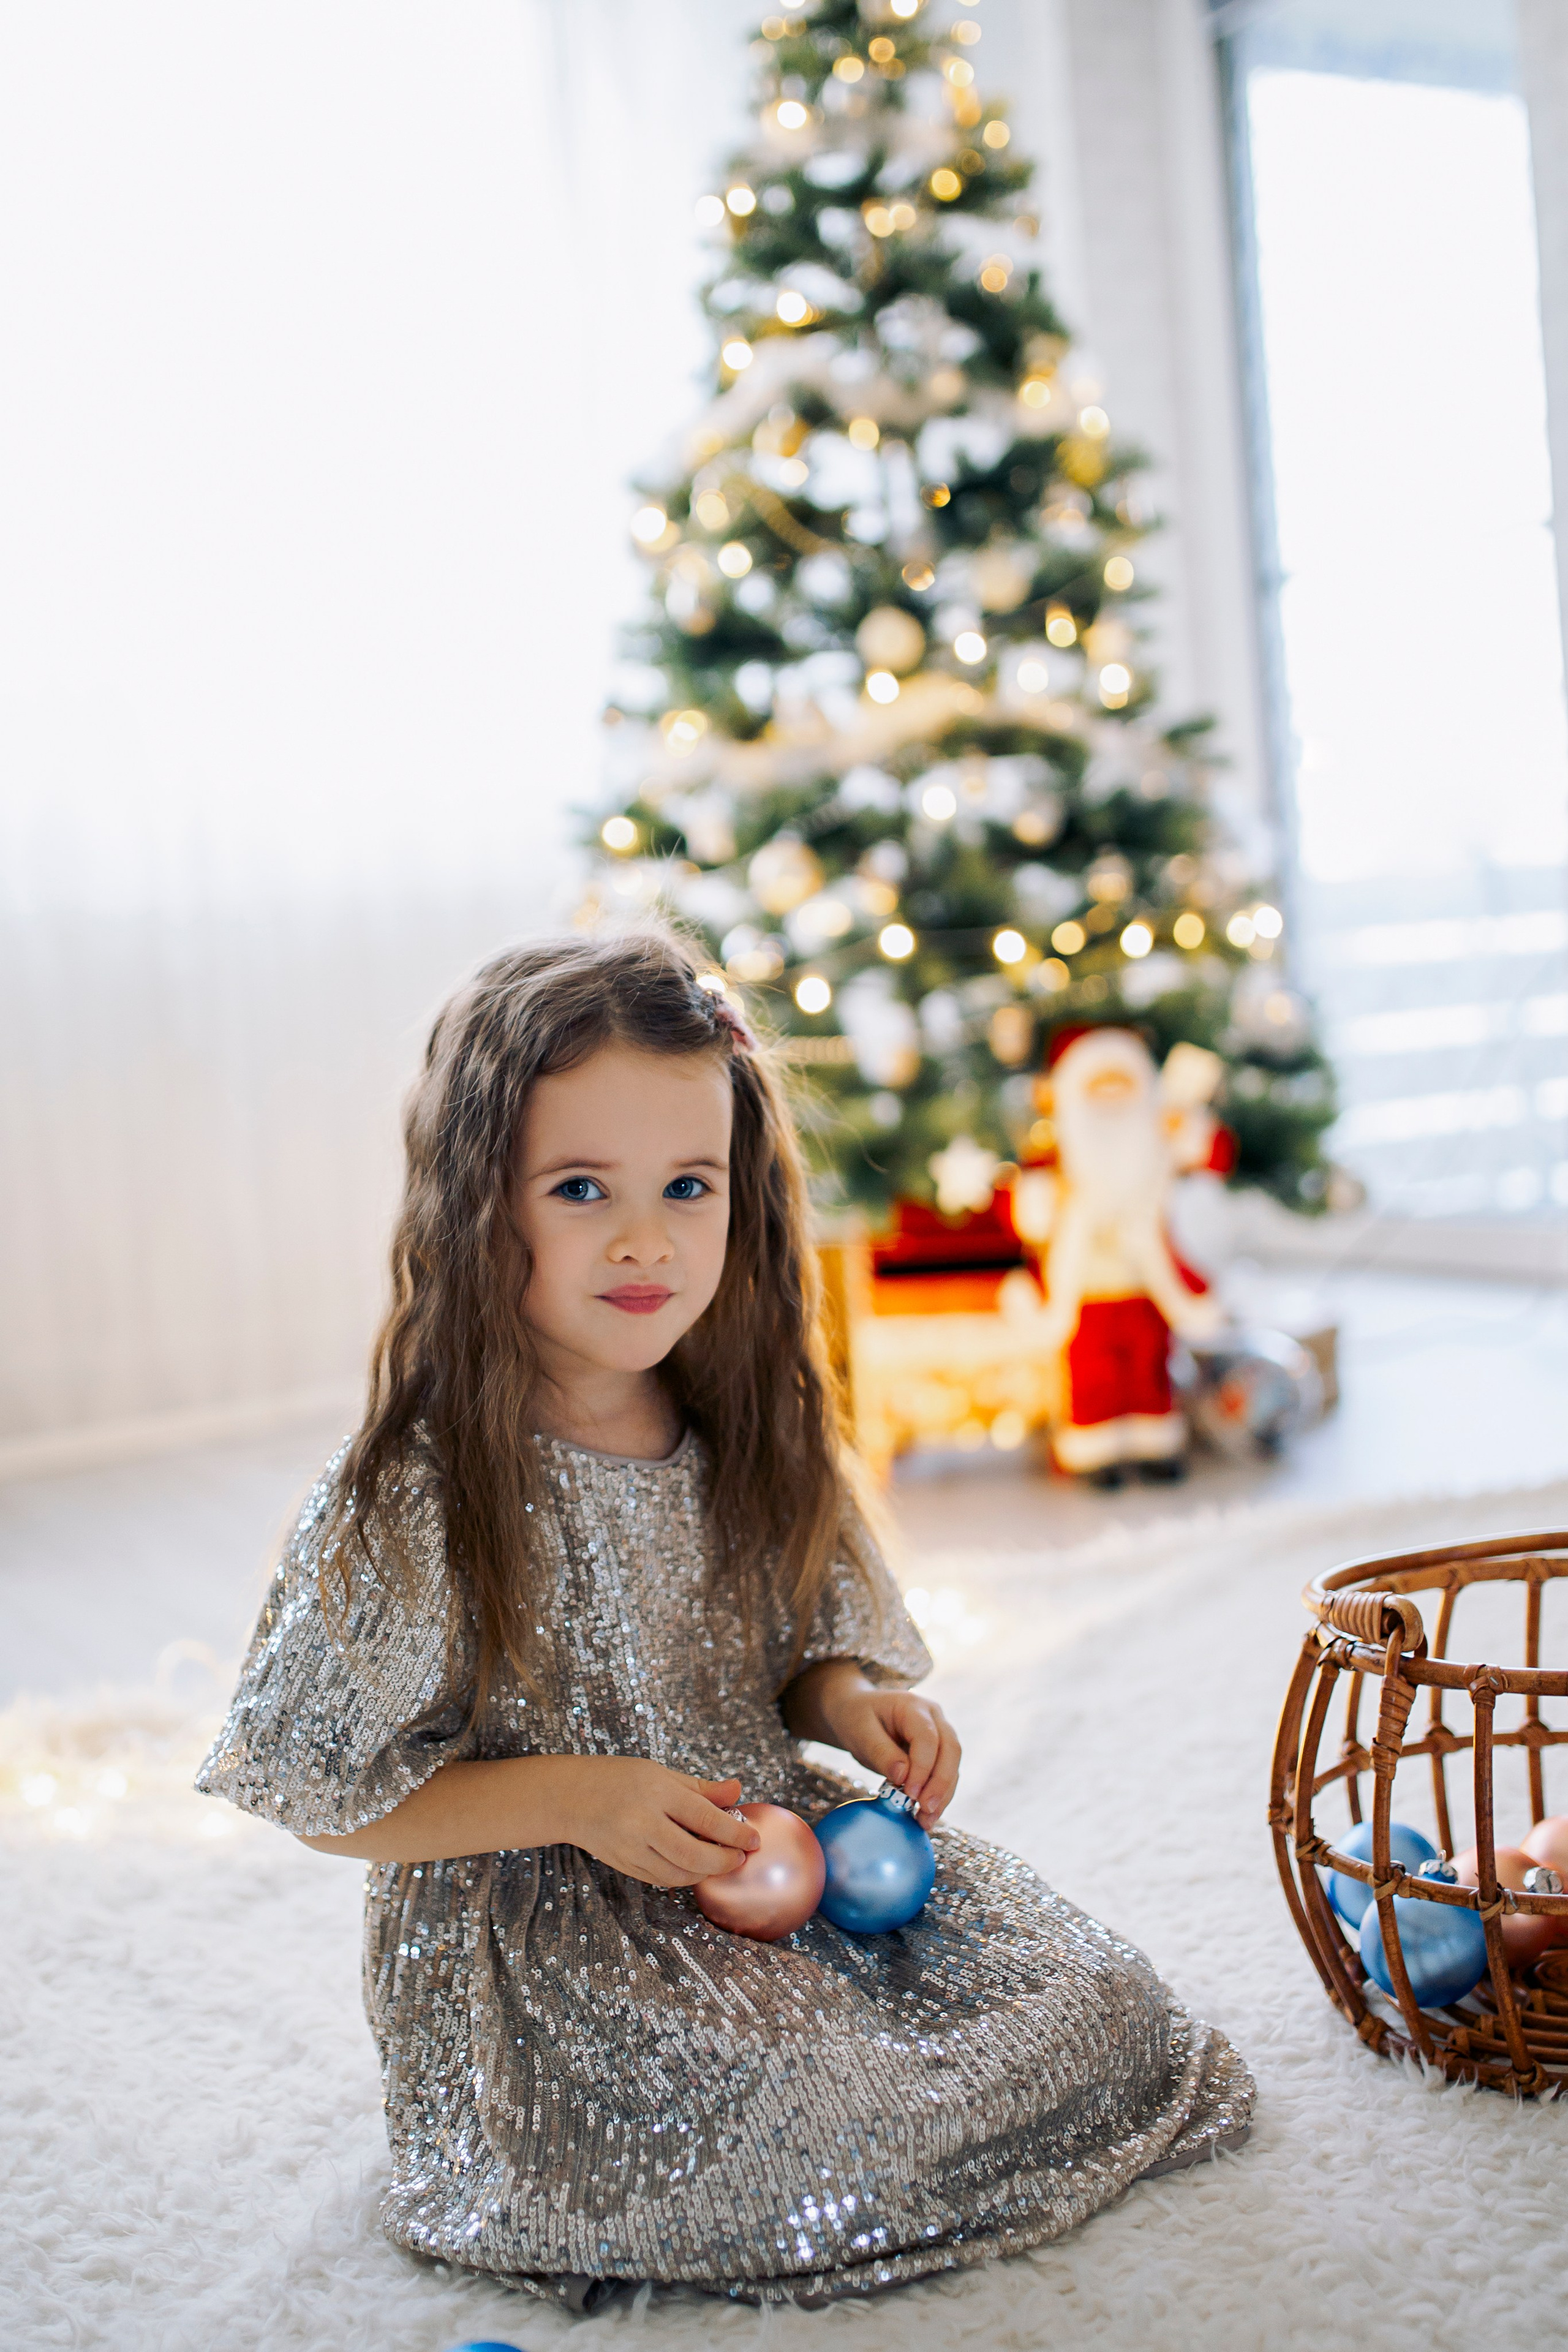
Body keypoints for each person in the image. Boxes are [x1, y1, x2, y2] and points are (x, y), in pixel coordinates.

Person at [197, 927, 1251, 2310]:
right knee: (790, 2108)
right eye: (581, 1190)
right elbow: (322, 1797)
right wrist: (577, 1799)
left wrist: (844, 1704)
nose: (646, 1241)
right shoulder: (416, 1492)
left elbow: (798, 1651)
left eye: (686, 1187)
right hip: (549, 1932)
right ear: (476, 1203)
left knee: (1095, 2002)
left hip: (771, 1848)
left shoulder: (746, 1420)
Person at [1022, 1025, 1230, 1487]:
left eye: (1124, 1083)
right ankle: (1094, 1451)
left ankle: (1155, 1442)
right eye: (1100, 1085)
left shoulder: (1159, 1134)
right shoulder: (1058, 1150)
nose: (1113, 1094)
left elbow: (1215, 1157)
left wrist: (1190, 1129)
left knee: (1149, 1361)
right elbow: (1028, 1209)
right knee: (1094, 1368)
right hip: (1087, 1282)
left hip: (1145, 1273)